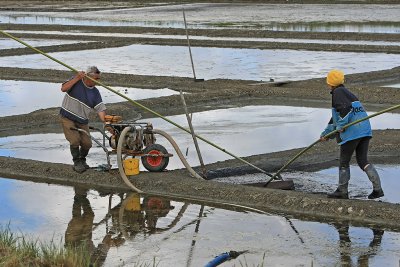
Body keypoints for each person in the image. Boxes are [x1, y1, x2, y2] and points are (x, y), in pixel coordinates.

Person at [320, 69, 384, 199]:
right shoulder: (347, 93)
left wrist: (341, 126)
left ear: (330, 83)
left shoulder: (337, 92)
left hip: (353, 132)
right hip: (364, 130)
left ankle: (342, 191)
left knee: (344, 162)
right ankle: (378, 189)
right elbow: (336, 119)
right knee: (363, 161)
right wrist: (326, 134)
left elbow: (345, 110)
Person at [60, 66, 106, 173]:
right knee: (75, 140)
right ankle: (76, 162)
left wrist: (106, 121)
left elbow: (100, 109)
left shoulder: (95, 92)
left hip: (82, 120)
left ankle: (82, 159)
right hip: (67, 117)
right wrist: (76, 78)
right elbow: (63, 88)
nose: (98, 81)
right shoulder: (76, 82)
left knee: (87, 144)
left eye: (98, 78)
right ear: (87, 76)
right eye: (96, 78)